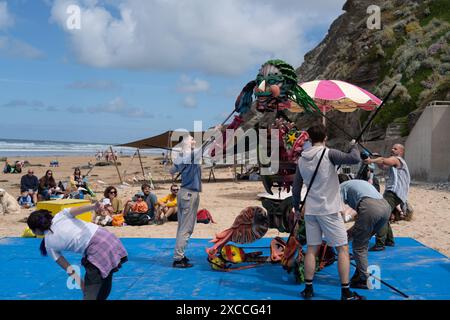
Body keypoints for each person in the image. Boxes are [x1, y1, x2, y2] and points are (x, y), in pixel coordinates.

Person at [292, 124, 364, 300]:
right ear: (325, 137)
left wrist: (296, 208)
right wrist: (354, 145)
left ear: (309, 138)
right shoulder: (329, 153)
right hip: (329, 210)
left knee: (311, 249)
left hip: (311, 211)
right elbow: (355, 159)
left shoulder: (302, 159)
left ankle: (308, 289)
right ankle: (346, 292)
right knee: (343, 249)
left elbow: (296, 188)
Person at [26, 202, 128, 300]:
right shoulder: (60, 215)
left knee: (91, 291)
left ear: (36, 230)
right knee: (106, 276)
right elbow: (80, 210)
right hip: (109, 238)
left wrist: (83, 286)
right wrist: (94, 206)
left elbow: (69, 269)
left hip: (97, 249)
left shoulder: (49, 245)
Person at [338, 175, 391, 289]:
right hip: (386, 207)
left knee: (358, 246)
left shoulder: (340, 187)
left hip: (370, 208)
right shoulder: (357, 183)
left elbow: (339, 212)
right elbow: (362, 211)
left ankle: (364, 279)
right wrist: (352, 231)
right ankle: (360, 271)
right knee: (363, 240)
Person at [169, 133, 210, 268]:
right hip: (190, 194)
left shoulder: (182, 156)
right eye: (192, 139)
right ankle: (178, 258)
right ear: (187, 142)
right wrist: (216, 132)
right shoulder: (192, 155)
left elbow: (171, 171)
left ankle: (179, 254)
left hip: (182, 193)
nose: (194, 140)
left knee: (182, 227)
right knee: (186, 228)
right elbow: (206, 145)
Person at [364, 144, 411, 251]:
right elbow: (383, 165)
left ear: (401, 152)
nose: (392, 149)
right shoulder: (394, 161)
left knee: (381, 215)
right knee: (385, 215)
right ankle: (389, 240)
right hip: (393, 194)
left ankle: (380, 244)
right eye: (392, 148)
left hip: (393, 194)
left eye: (395, 148)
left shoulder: (397, 160)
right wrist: (376, 159)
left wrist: (372, 161)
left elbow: (384, 161)